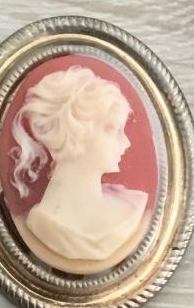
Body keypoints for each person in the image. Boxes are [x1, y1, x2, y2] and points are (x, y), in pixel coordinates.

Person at [9, 64, 149, 271]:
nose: (126, 142)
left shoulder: (131, 206)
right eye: (112, 129)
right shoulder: (45, 225)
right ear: (75, 130)